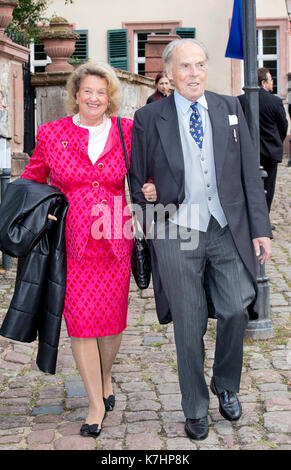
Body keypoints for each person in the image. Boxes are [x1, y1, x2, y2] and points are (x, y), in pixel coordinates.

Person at [129, 38, 272, 441]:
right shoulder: (149, 118)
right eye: (185, 67)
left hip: (226, 227)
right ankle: (195, 408)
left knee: (236, 308)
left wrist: (260, 228)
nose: (194, 74)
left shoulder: (229, 108)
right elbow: (137, 182)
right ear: (170, 74)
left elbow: (249, 173)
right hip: (176, 230)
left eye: (200, 65)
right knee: (188, 324)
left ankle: (225, 383)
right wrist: (149, 208)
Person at [20, 61, 156, 438]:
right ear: (76, 95)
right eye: (87, 91)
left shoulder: (126, 131)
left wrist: (149, 187)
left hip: (115, 235)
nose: (94, 98)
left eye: (101, 92)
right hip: (71, 242)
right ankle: (95, 402)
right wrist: (44, 215)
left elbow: (148, 171)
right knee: (80, 322)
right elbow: (32, 181)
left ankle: (106, 373)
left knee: (111, 324)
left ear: (109, 97)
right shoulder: (51, 134)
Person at [238, 67, 288, 213]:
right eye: (271, 80)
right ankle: (264, 220)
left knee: (249, 186)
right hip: (270, 151)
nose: (273, 83)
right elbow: (283, 126)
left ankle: (251, 217)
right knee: (268, 187)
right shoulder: (275, 101)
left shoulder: (240, 100)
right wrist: (277, 141)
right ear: (263, 82)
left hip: (248, 151)